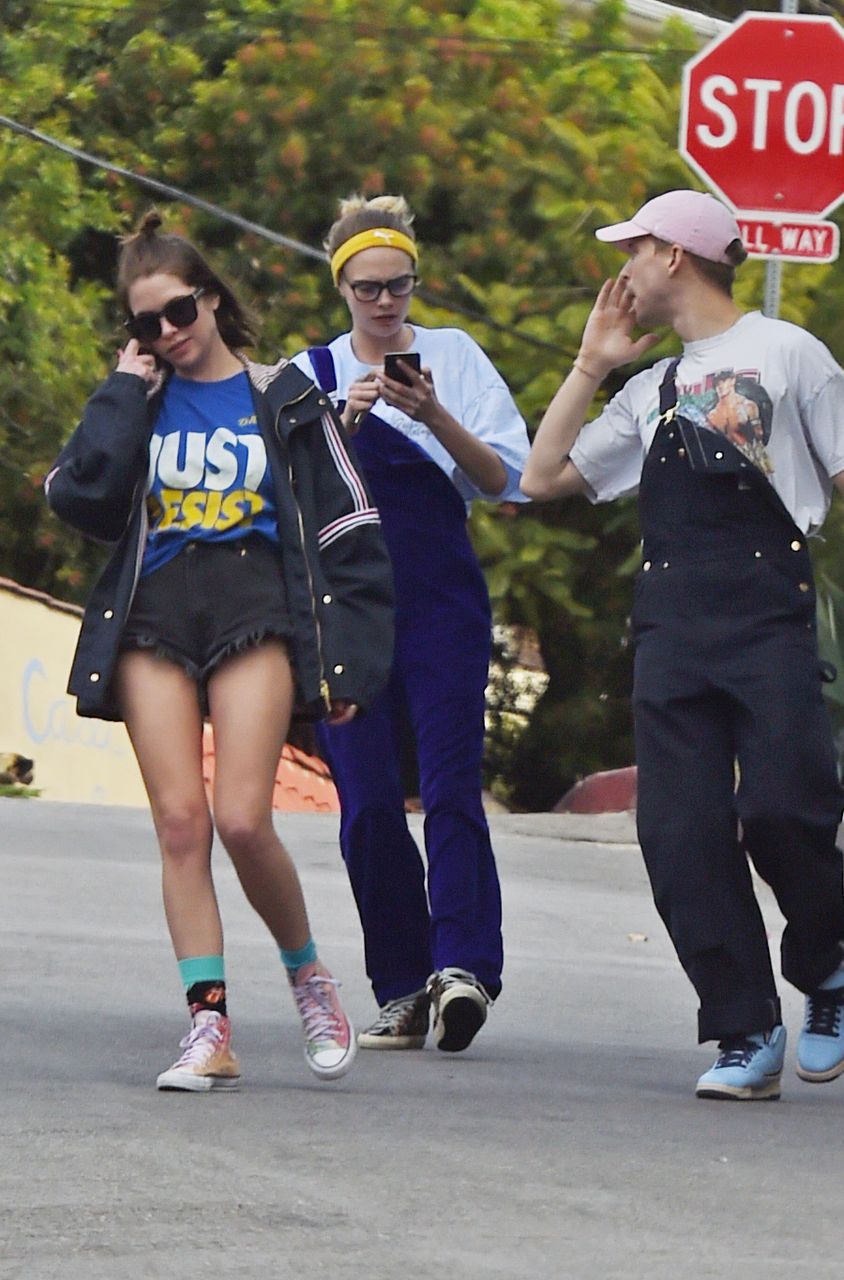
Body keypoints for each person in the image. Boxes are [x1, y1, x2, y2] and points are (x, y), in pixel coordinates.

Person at [520, 190, 844, 1100]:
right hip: (671, 623)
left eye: (632, 249)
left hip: (766, 616)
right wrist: (591, 365)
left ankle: (826, 967)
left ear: (675, 256)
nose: (621, 269)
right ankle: (744, 1029)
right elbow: (542, 475)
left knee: (787, 809)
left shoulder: (788, 354)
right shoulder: (648, 389)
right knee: (680, 834)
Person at [45, 212, 395, 1092]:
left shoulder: (283, 394)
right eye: (145, 323)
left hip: (255, 605)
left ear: (210, 298)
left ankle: (310, 977)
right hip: (155, 612)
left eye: (179, 311)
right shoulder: (139, 400)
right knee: (179, 824)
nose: (167, 333)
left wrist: (349, 660)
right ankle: (208, 1028)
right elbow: (78, 497)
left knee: (242, 817)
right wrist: (124, 392)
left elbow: (350, 528)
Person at [292, 195, 529, 1053]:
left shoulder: (456, 359)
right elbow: (287, 500)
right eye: (369, 289)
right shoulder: (308, 374)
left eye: (401, 286)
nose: (387, 304)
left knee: (453, 785)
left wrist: (431, 414)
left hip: (441, 604)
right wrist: (342, 426)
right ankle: (399, 982)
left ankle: (462, 966)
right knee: (364, 804)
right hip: (347, 616)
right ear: (342, 288)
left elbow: (511, 478)